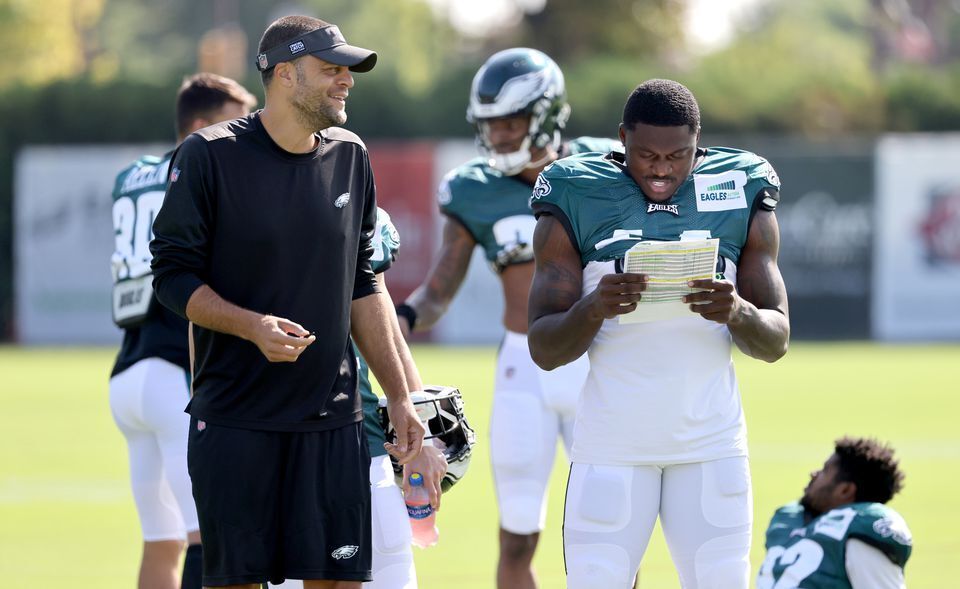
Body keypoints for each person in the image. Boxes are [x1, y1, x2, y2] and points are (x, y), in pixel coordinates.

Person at [149, 15, 424, 589]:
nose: (346, 81)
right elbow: (172, 277)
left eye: (348, 71)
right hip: (235, 421)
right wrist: (251, 327)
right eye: (331, 70)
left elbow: (363, 282)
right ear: (284, 75)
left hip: (332, 424)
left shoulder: (352, 154)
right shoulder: (207, 156)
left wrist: (400, 396)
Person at [527, 78, 790, 589]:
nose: (663, 168)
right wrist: (594, 308)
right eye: (646, 154)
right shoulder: (575, 189)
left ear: (699, 143)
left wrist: (736, 311)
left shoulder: (741, 184)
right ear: (622, 138)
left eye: (679, 155)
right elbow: (543, 347)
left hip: (712, 447)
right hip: (612, 448)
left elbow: (776, 339)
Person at [396, 47, 621, 589]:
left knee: (613, 529)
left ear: (545, 114)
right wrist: (398, 318)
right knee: (517, 533)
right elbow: (440, 288)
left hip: (602, 361)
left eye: (510, 122)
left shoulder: (605, 165)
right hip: (524, 367)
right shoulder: (473, 188)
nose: (497, 136)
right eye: (489, 125)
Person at [108, 72, 257, 589]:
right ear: (199, 127)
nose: (246, 131)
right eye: (234, 121)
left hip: (126, 374)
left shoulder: (131, 177)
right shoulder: (199, 170)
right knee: (204, 537)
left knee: (160, 541)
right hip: (175, 373)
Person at [270, 208, 449, 589]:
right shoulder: (238, 205)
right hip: (278, 440)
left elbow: (383, 325)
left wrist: (420, 425)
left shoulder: (359, 211)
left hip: (357, 441)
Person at [757, 437, 912, 588]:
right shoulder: (790, 517)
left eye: (824, 470)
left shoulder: (859, 528)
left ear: (845, 490)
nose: (813, 474)